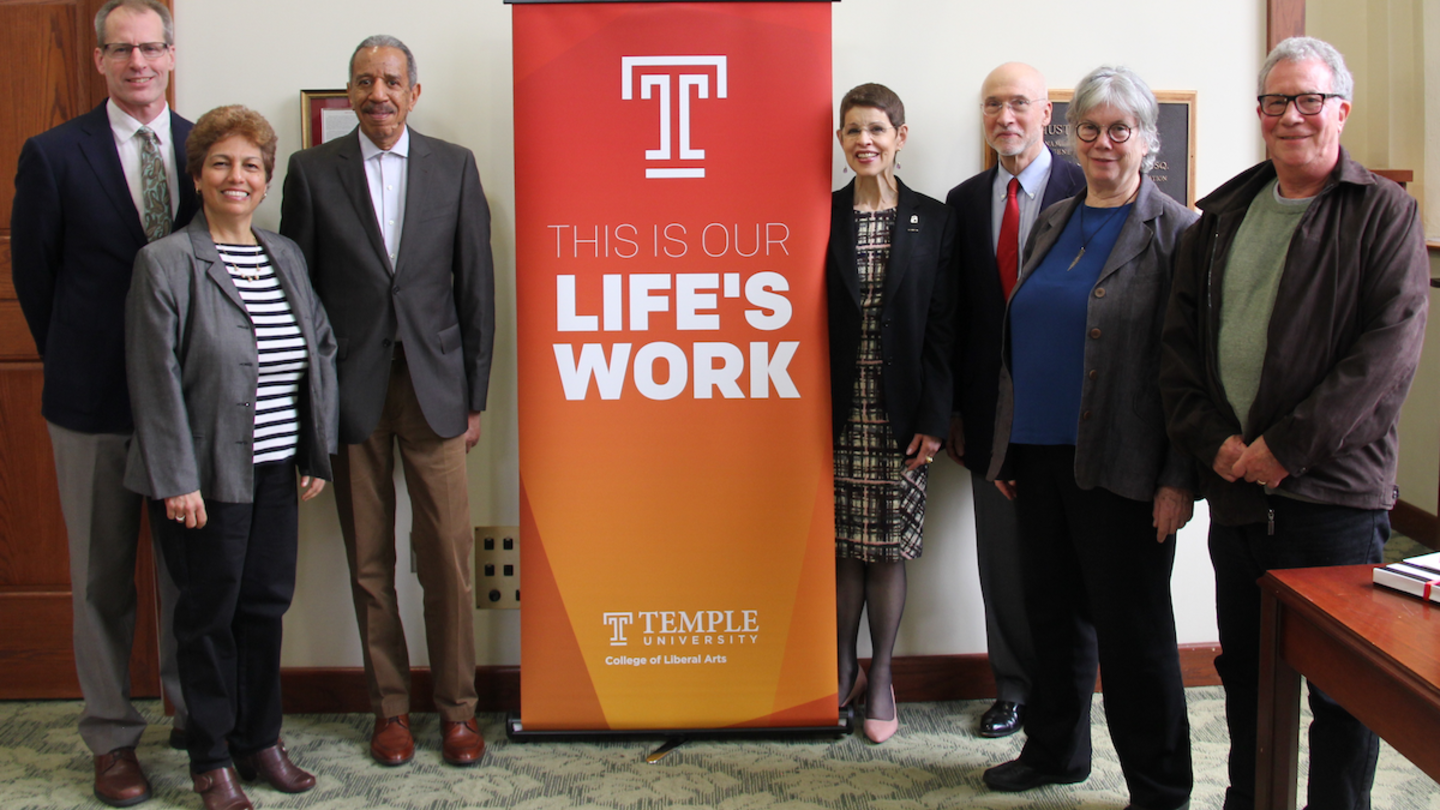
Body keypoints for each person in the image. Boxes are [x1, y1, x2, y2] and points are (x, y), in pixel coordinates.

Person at [1160, 37, 1428, 810]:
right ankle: (1253, 798)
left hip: (1334, 498)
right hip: (1239, 494)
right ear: (1259, 113)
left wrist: (1283, 449)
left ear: (1342, 108)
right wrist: (1220, 447)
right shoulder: (1217, 219)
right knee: (1247, 671)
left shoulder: (1383, 212)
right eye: (1277, 100)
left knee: (1345, 693)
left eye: (1310, 99)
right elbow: (1177, 357)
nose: (1292, 115)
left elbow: (1385, 359)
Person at [981, 66, 1196, 810]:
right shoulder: (1056, 216)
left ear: (1147, 138)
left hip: (1125, 466)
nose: (1104, 143)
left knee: (1135, 637)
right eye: (1091, 129)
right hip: (1038, 457)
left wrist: (1177, 478)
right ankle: (1055, 751)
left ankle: (1160, 788)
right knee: (1051, 616)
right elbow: (1023, 336)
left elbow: (1188, 369)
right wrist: (1008, 446)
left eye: (1120, 129)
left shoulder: (1177, 231)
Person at [280, 34, 495, 767]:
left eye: (391, 80)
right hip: (352, 398)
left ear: (414, 93)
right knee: (369, 563)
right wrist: (311, 403)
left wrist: (475, 397)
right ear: (349, 92)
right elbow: (300, 301)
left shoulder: (455, 167)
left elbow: (476, 291)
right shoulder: (311, 173)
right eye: (364, 80)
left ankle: (459, 713)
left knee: (448, 562)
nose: (378, 93)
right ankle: (391, 711)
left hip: (436, 396)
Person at [9, 0, 196, 803]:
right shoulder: (53, 154)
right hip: (92, 405)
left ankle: (197, 719)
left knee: (192, 575)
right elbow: (36, 279)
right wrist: (82, 362)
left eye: (151, 47)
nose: (138, 63)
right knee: (100, 581)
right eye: (122, 50)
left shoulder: (205, 149)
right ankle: (112, 738)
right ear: (99, 61)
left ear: (171, 54)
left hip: (190, 407)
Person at [125, 105, 337, 810]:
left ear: (267, 177)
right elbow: (153, 379)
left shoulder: (285, 255)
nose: (236, 176)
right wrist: (175, 477)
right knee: (208, 615)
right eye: (221, 163)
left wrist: (315, 449)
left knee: (264, 608)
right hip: (204, 478)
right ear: (197, 174)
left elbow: (320, 350)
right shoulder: (166, 263)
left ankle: (260, 740)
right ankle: (210, 755)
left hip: (279, 470)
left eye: (251, 165)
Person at [944, 62, 1086, 739]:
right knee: (1001, 564)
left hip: (1069, 417)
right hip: (988, 418)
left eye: (1020, 103)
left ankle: (1067, 696)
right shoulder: (965, 201)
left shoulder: (1089, 187)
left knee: (1069, 563)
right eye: (993, 104)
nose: (1006, 116)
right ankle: (1014, 688)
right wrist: (956, 414)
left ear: (1047, 112)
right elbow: (957, 317)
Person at [827, 83, 956, 745]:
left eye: (876, 129)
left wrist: (936, 419)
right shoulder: (820, 216)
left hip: (902, 418)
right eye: (852, 131)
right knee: (841, 548)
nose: (864, 141)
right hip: (834, 416)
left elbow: (944, 329)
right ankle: (840, 668)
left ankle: (879, 676)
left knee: (886, 550)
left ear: (900, 137)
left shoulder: (933, 221)